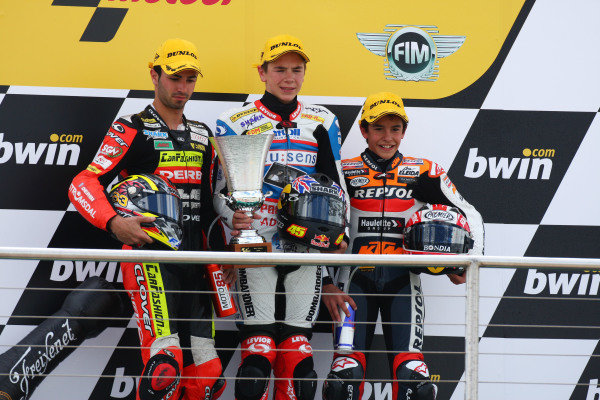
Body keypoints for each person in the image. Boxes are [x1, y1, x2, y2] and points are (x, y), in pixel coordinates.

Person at [68, 38, 228, 400]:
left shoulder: (204, 134)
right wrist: (113, 222)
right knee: (164, 369)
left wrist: (223, 252)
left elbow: (209, 205)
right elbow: (85, 181)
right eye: (174, 78)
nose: (182, 87)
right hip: (150, 258)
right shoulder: (131, 127)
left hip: (198, 260)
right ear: (154, 76)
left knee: (207, 373)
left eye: (190, 79)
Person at [321, 92, 485, 400]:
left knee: (415, 383)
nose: (387, 137)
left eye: (395, 129)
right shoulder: (343, 172)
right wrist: (327, 282)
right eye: (379, 128)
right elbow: (320, 234)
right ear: (364, 131)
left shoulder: (424, 170)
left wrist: (468, 262)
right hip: (352, 284)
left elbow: (469, 214)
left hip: (403, 284)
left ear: (403, 132)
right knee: (344, 379)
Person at [213, 34, 349, 400]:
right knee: (257, 358)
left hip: (306, 248)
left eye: (296, 70)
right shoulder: (235, 120)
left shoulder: (323, 120)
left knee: (300, 363)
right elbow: (220, 188)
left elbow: (336, 187)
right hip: (254, 243)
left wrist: (340, 241)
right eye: (279, 70)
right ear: (262, 72)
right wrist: (232, 218)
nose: (288, 78)